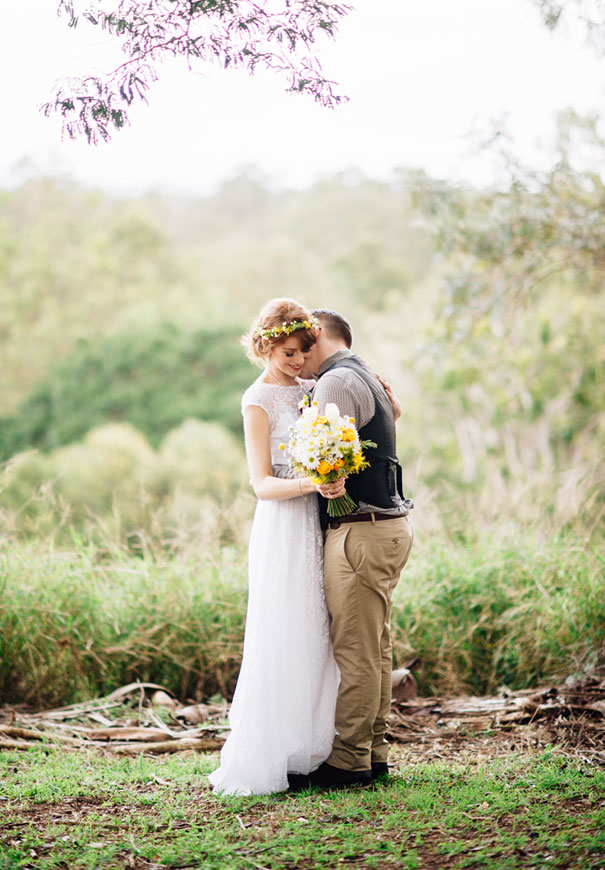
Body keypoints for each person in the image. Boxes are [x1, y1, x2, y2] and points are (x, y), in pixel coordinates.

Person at [208, 298, 343, 796]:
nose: (297, 361)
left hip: (318, 521)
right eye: (288, 352)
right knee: (283, 627)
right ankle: (273, 752)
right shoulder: (256, 401)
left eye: (302, 352)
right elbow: (261, 484)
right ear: (265, 345)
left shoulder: (314, 387)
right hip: (283, 523)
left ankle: (314, 749)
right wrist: (314, 482)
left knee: (319, 629)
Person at [296, 308, 414, 790]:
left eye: (302, 344)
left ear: (318, 335)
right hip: (385, 526)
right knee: (377, 645)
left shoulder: (336, 384)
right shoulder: (364, 374)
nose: (298, 357)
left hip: (359, 529)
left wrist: (319, 480)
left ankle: (348, 762)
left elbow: (333, 465)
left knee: (357, 650)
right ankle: (374, 751)